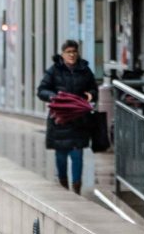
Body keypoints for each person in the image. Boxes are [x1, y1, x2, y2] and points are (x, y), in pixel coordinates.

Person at [37, 40, 98, 195]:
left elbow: (93, 88)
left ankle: (77, 187)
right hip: (60, 120)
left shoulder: (85, 70)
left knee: (77, 154)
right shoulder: (54, 71)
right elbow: (42, 90)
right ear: (62, 54)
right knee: (61, 155)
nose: (72, 55)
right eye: (69, 52)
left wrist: (92, 94)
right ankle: (63, 183)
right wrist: (56, 97)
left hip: (79, 120)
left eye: (74, 52)